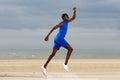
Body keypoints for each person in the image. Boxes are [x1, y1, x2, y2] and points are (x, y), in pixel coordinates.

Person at [41, 7, 76, 76]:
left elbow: (74, 18)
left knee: (53, 54)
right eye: (66, 17)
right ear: (63, 18)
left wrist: (74, 11)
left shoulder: (67, 22)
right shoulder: (62, 23)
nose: (67, 17)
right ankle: (65, 64)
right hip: (59, 39)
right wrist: (47, 36)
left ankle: (44, 66)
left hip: (57, 39)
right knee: (70, 49)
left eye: (67, 16)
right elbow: (54, 28)